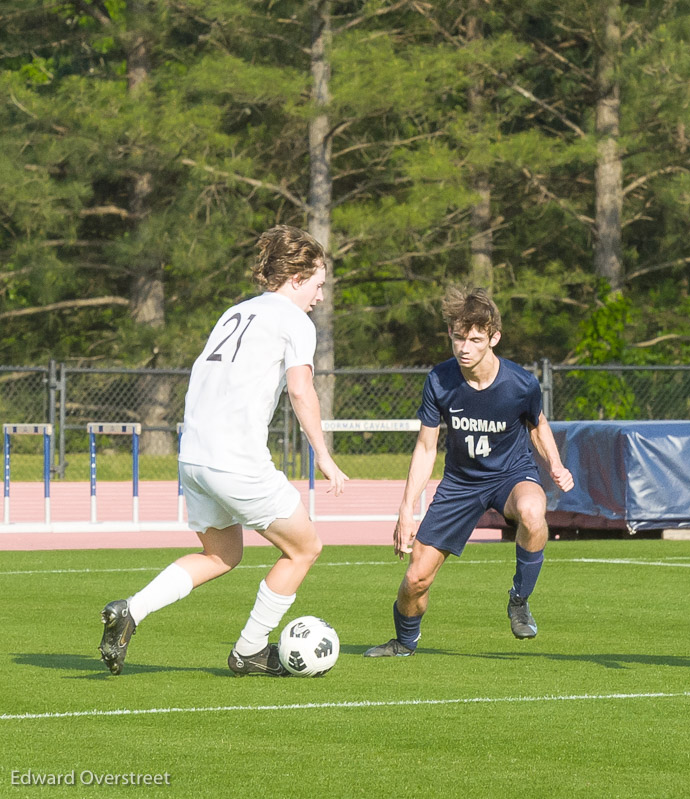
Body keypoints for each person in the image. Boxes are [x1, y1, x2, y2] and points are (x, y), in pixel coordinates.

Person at [98, 225, 348, 677]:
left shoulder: (236, 313)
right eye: (318, 283)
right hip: (236, 459)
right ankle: (250, 651)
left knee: (222, 555)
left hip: (193, 456)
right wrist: (324, 456)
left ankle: (130, 610)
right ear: (297, 277)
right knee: (305, 549)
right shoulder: (294, 320)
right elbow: (300, 388)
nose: (320, 295)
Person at [364, 287, 574, 658]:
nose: (464, 347)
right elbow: (426, 447)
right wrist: (406, 508)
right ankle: (404, 642)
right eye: (458, 337)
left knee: (532, 511)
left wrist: (555, 465)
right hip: (460, 483)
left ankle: (519, 599)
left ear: (493, 338)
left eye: (475, 339)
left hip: (511, 474)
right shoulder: (440, 380)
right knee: (415, 579)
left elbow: (537, 425)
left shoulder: (520, 384)